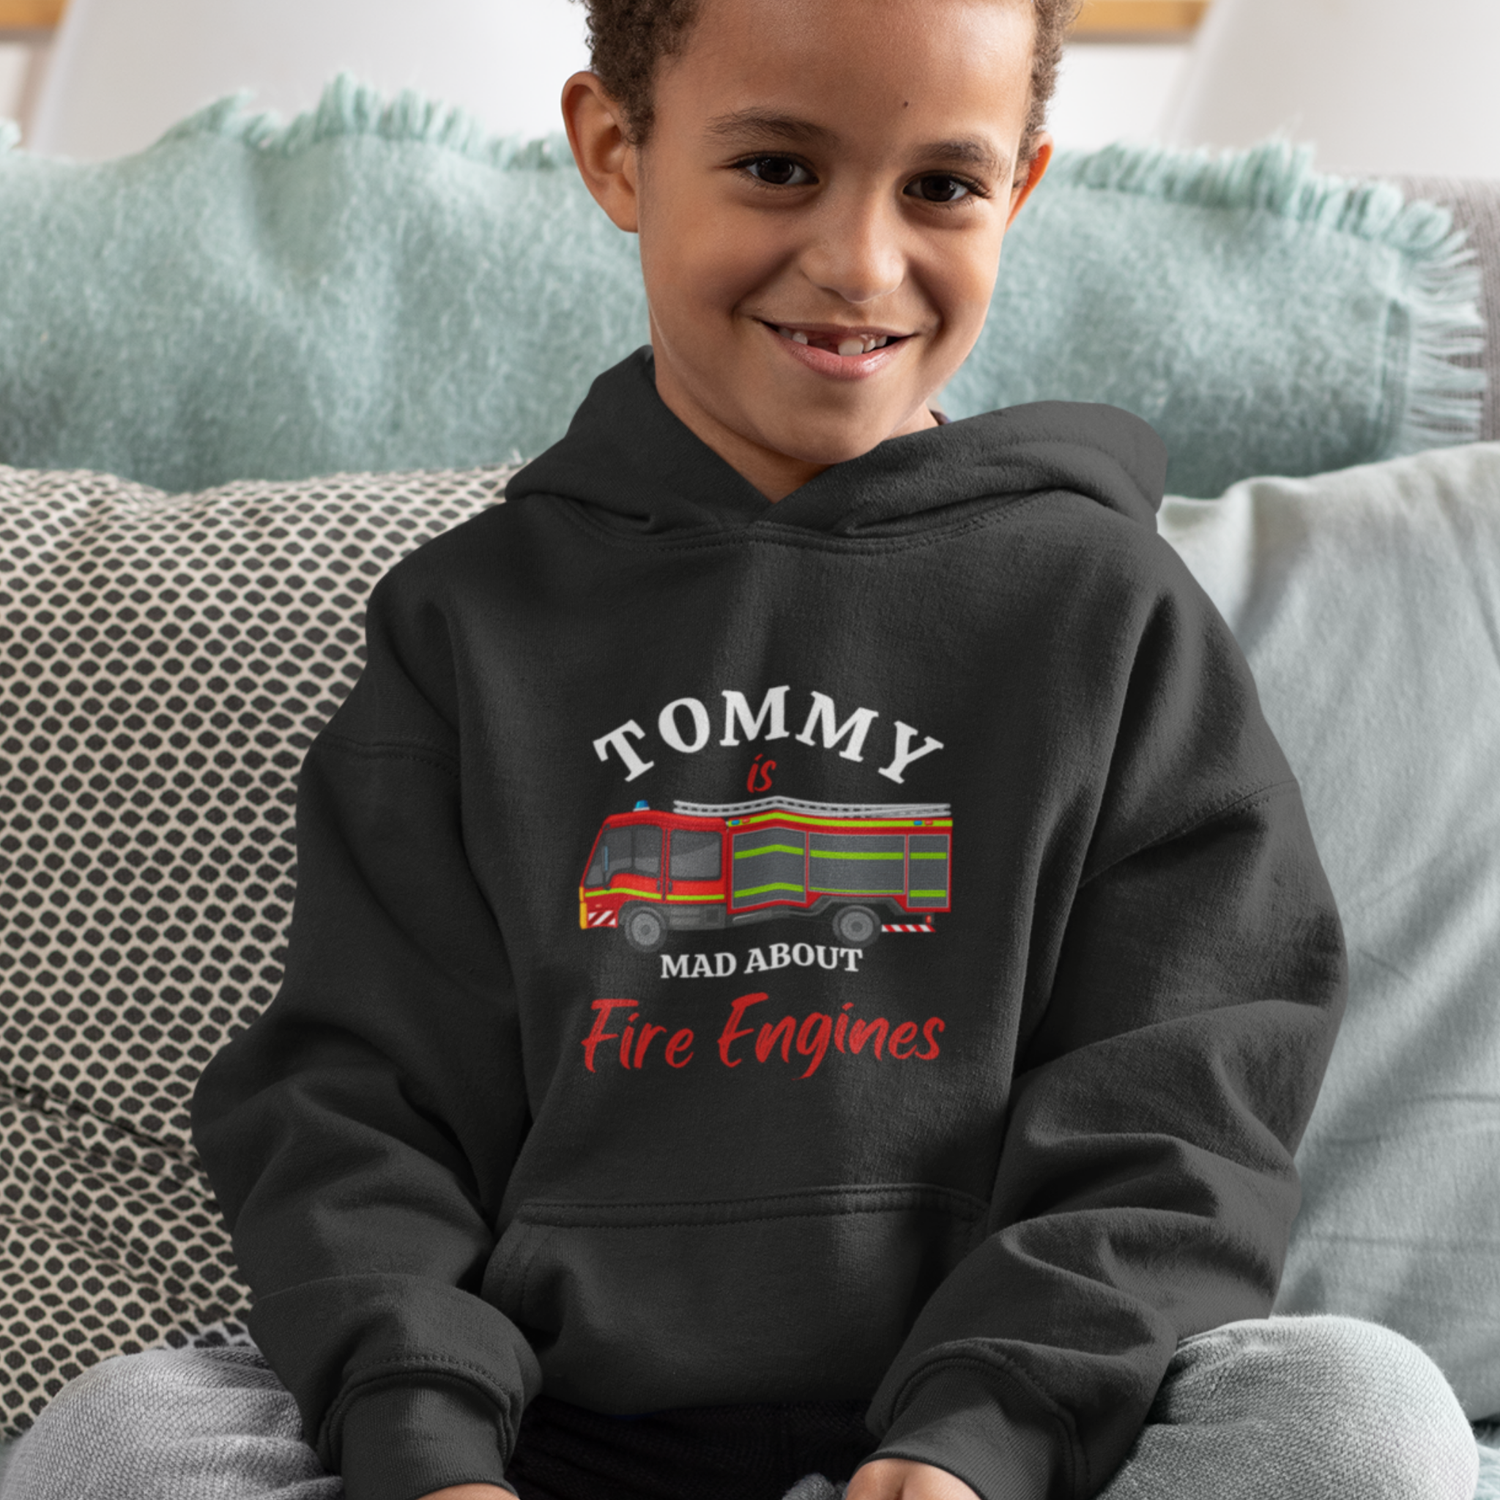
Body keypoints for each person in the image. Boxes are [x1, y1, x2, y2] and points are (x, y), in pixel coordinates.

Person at [0, 2, 1482, 1500]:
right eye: (778, 166)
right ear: (616, 152)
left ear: (1021, 187)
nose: (858, 262)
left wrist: (987, 1431)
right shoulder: (469, 624)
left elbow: (1184, 1095)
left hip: (1011, 1434)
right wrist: (425, 1438)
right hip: (535, 1442)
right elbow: (358, 1104)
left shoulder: (1107, 607)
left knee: (1360, 1420)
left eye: (942, 187)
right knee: (118, 1444)